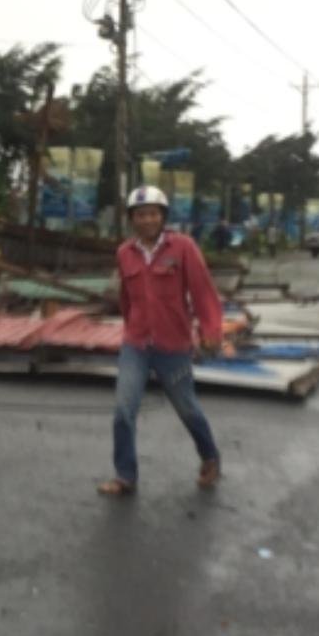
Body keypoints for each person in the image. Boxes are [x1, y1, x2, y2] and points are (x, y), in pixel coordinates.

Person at [99, 185, 223, 496]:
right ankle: (125, 475)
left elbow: (203, 293)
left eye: (153, 214)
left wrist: (210, 331)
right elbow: (126, 300)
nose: (147, 220)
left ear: (163, 217)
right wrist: (132, 330)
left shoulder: (183, 248)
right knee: (123, 410)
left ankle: (210, 457)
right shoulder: (124, 253)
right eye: (140, 215)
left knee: (187, 409)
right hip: (137, 345)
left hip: (174, 346)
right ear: (132, 219)